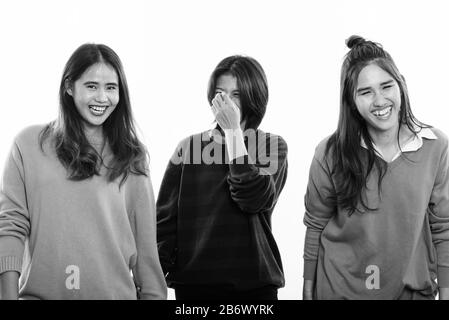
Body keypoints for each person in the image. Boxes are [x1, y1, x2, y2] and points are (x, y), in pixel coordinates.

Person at [0, 43, 167, 299]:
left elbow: (146, 250)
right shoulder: (28, 144)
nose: (102, 98)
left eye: (111, 88)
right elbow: (10, 228)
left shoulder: (131, 156)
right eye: (91, 86)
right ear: (69, 87)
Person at [303, 35, 449, 300]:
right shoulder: (330, 152)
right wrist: (307, 290)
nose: (379, 100)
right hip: (340, 291)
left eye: (386, 86)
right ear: (352, 100)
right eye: (365, 92)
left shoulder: (435, 146)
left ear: (401, 85)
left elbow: (444, 227)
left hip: (412, 291)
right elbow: (315, 224)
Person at [157, 55, 288, 300]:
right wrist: (152, 283)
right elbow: (164, 224)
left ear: (254, 96)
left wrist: (233, 132)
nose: (227, 102)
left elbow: (253, 198)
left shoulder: (271, 145)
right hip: (194, 287)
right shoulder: (188, 147)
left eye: (236, 94)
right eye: (220, 93)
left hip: (254, 287)